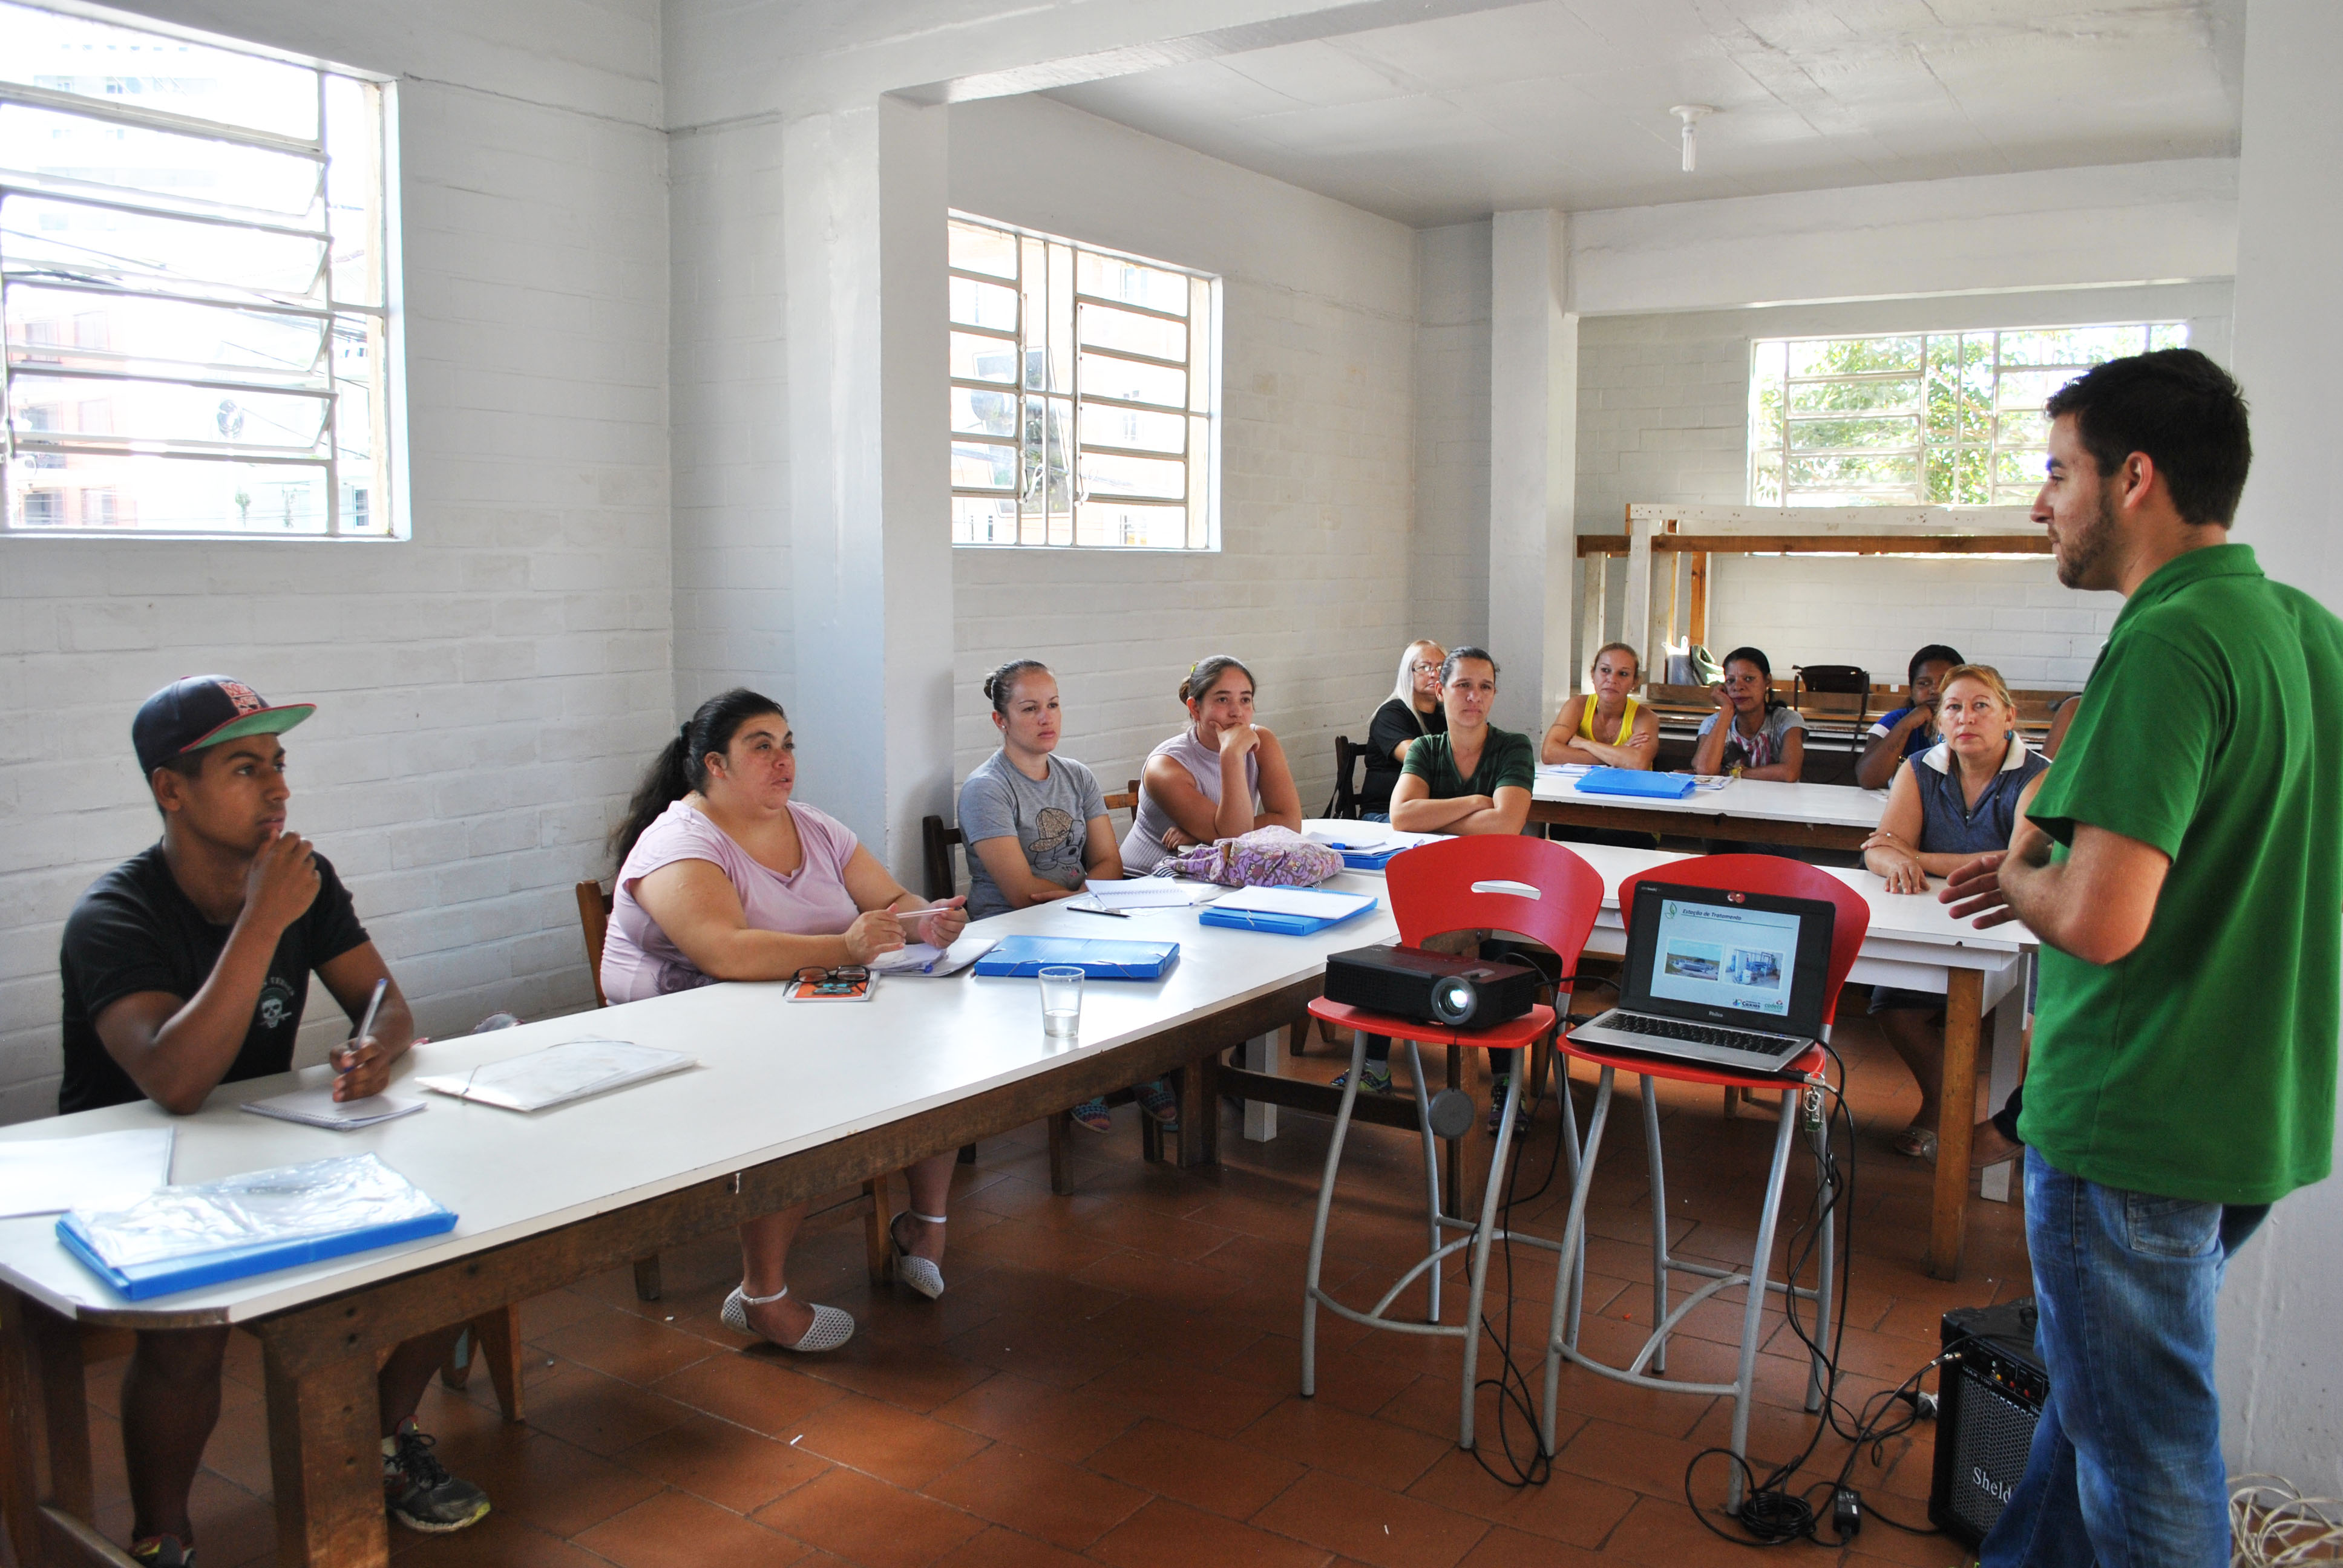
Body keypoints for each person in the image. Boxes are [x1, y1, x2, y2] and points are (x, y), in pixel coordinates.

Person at [1940, 350, 2341, 1568]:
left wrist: (2016, 874)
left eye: (2056, 471)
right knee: (2099, 1401)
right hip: (2248, 1104)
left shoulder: (2167, 641)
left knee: (2148, 1455)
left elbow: (2103, 919)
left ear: (2136, 478)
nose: (2038, 503)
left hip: (2133, 1120)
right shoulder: (2302, 631)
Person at [59, 677, 490, 1566]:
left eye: (280, 766)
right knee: (193, 1330)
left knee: (465, 1239)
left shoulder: (303, 880)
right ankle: (163, 1536)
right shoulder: (115, 916)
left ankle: (377, 1440)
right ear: (170, 790)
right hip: (140, 1171)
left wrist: (374, 1047)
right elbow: (175, 1082)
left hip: (271, 1147)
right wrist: (261, 920)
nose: (278, 790)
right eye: (245, 768)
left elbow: (385, 1002)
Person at [602, 690, 971, 1345]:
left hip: (800, 1010)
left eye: (788, 744)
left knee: (930, 1050)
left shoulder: (813, 826)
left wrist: (925, 922)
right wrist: (847, 947)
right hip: (680, 1038)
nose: (783, 761)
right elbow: (724, 951)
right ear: (715, 765)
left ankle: (925, 1222)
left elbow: (890, 898)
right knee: (798, 1096)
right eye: (762, 746)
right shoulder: (678, 842)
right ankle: (760, 1293)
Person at [957, 659, 1173, 1135]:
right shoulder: (986, 789)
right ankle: (1082, 1079)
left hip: (1081, 913)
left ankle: (1139, 1067)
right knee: (1090, 967)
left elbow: (1110, 864)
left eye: (1053, 705)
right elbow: (1020, 893)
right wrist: (1086, 899)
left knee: (1156, 959)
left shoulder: (1076, 775)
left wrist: (1081, 900)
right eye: (1030, 708)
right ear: (1001, 720)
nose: (1046, 718)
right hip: (1010, 931)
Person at [1858, 664, 2048, 1160]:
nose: (1967, 717)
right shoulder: (1919, 767)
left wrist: (1913, 858)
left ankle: (2021, 1131)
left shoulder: (2038, 773)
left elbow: (2017, 859)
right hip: (1938, 921)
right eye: (1954, 708)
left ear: (2008, 716)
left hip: (2018, 927)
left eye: (1981, 706)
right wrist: (1891, 854)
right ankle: (1946, 1104)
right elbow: (1878, 848)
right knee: (1894, 1009)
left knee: (2032, 1031)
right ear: (1939, 721)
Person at [1386, 647, 1538, 1130]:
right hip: (1440, 882)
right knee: (1387, 948)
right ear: (1440, 690)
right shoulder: (1425, 749)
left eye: (1485, 687)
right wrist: (1475, 801)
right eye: (1463, 686)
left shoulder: (1512, 746)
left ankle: (1503, 1087)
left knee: (1494, 963)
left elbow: (1507, 825)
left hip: (1499, 887)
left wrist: (1441, 813)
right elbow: (1402, 818)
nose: (1474, 697)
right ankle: (1372, 1070)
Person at [1121, 655, 1303, 874]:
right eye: (1223, 700)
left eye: (1245, 700)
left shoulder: (1261, 741)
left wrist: (1208, 835)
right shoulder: (1164, 766)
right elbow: (1233, 836)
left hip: (1215, 875)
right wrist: (1232, 755)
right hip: (1147, 883)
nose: (1237, 712)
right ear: (1195, 709)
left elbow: (1290, 823)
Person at [1853, 643, 1964, 789]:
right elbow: (1868, 780)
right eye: (1924, 683)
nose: (1935, 690)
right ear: (1911, 691)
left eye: (1945, 683)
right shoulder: (1896, 720)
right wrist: (1906, 725)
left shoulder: (1970, 721)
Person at [1360, 639, 1447, 819]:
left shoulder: (1447, 716)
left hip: (1432, 810)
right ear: (1408, 673)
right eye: (1424, 667)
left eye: (1440, 668)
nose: (1434, 674)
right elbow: (1417, 759)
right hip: (1384, 815)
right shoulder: (1391, 714)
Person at [1690, 646, 1805, 782]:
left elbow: (1789, 773)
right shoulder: (1713, 722)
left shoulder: (1787, 720)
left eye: (1749, 679)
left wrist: (1729, 773)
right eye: (1731, 681)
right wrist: (1726, 710)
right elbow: (1705, 770)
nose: (1738, 687)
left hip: (1777, 801)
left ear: (1767, 681)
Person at [1539, 641, 1657, 769]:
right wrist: (1618, 755)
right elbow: (1549, 753)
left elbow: (1637, 763)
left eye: (1623, 674)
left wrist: (1585, 744)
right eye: (1605, 670)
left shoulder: (1646, 718)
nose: (1612, 680)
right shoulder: (1577, 706)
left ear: (1635, 682)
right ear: (1592, 675)